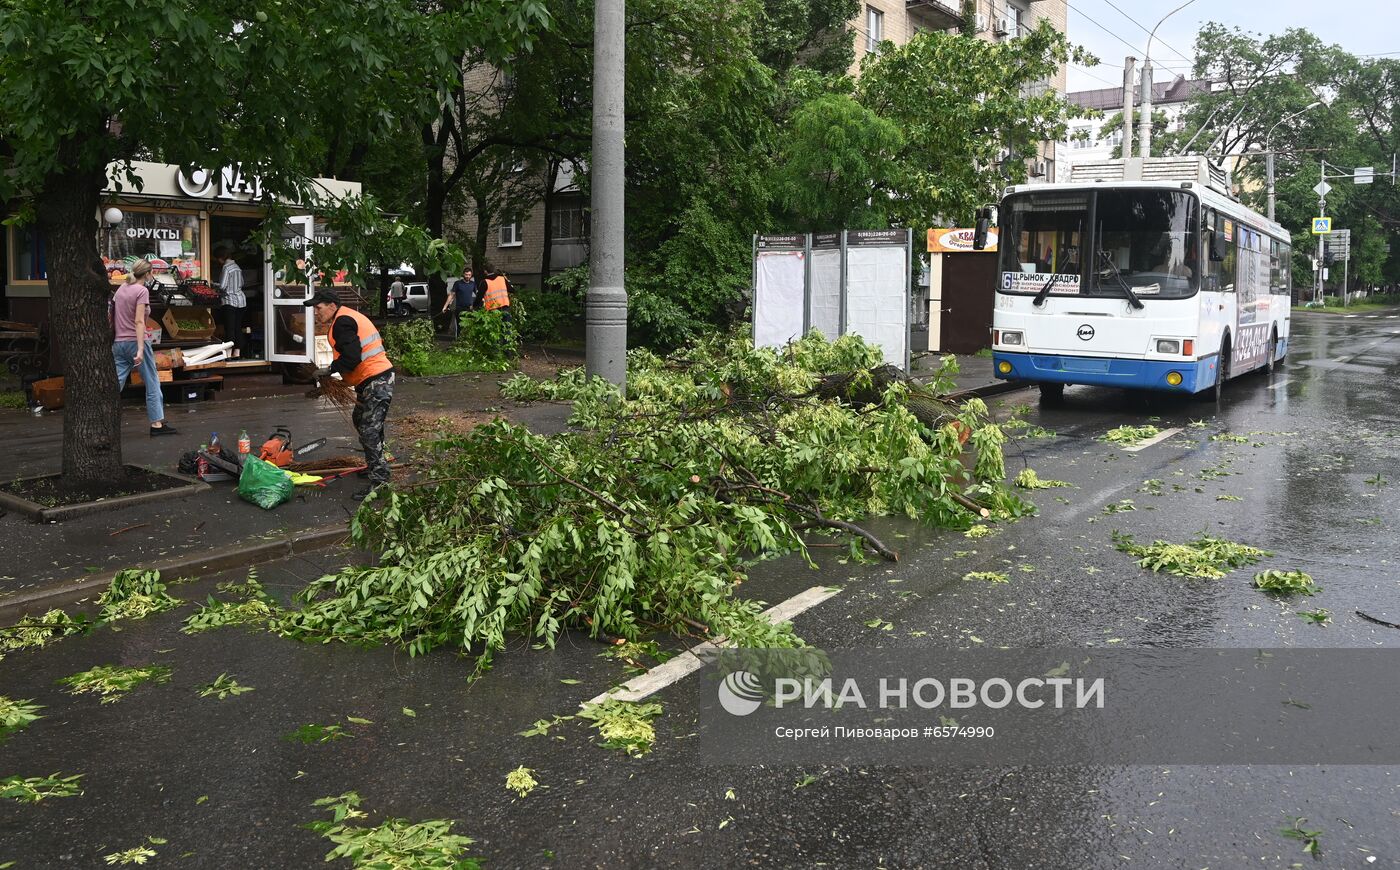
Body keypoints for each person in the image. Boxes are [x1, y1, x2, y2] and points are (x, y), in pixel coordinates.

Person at [312, 290, 394, 500]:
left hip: (377, 380)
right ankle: (377, 463)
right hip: (370, 380)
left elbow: (352, 356)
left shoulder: (342, 322)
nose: (315, 312)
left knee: (369, 429)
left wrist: (329, 370)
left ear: (331, 305)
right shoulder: (343, 319)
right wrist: (337, 382)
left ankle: (380, 481)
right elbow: (352, 360)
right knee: (362, 421)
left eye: (318, 307)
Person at [111, 259, 177, 436]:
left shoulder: (122, 289)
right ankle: (157, 424)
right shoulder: (142, 291)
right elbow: (139, 321)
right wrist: (140, 349)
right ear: (148, 274)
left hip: (119, 342)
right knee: (152, 381)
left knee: (115, 383)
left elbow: (114, 313)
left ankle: (101, 418)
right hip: (136, 341)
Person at [211, 246, 247, 358]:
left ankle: (228, 353)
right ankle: (237, 352)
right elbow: (242, 282)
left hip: (229, 301)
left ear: (221, 258)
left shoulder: (226, 267)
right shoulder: (237, 267)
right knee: (237, 327)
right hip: (241, 301)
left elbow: (222, 286)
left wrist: (212, 284)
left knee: (229, 328)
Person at [441, 267, 476, 337]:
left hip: (469, 309)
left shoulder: (473, 284)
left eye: (469, 275)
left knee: (469, 327)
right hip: (459, 309)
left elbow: (478, 294)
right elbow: (451, 295)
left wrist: (484, 301)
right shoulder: (458, 283)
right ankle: (459, 343)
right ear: (463, 274)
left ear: (471, 275)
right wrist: (445, 306)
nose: (468, 276)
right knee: (460, 327)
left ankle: (467, 344)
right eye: (466, 275)